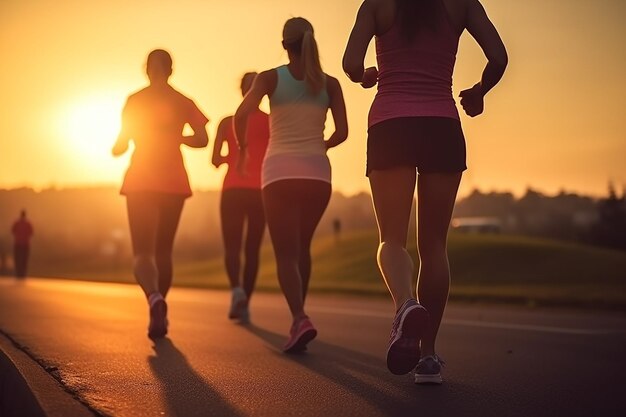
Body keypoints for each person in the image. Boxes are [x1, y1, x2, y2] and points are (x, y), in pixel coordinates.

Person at [343, 0, 507, 383]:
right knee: (434, 245)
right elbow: (498, 57)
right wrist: (480, 91)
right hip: (441, 126)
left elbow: (351, 64)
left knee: (391, 240)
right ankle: (428, 356)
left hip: (391, 125)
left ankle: (405, 306)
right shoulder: (463, 4)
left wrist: (365, 76)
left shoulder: (376, 5)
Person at [234, 17, 348, 353]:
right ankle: (300, 317)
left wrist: (242, 149)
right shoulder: (330, 83)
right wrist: (318, 148)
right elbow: (342, 133)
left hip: (279, 174)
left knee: (286, 253)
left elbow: (242, 114)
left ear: (285, 45)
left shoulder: (270, 78)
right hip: (318, 176)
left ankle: (299, 317)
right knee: (302, 248)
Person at [112, 49, 209, 339]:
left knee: (143, 252)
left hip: (142, 179)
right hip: (174, 181)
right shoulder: (183, 100)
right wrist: (178, 137)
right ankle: (160, 311)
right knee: (163, 250)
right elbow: (203, 139)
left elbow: (120, 145)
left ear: (146, 69)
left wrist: (117, 147)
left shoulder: (135, 100)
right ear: (170, 69)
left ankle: (154, 298)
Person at [212, 72, 270, 323]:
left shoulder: (227, 122)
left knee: (232, 246)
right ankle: (244, 299)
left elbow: (214, 161)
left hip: (233, 190)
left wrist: (233, 159)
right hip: (261, 191)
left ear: (241, 91)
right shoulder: (272, 122)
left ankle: (236, 292)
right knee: (252, 248)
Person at [11, 210, 34, 278]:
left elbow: (12, 231)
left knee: (17, 259)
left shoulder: (16, 223)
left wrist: (18, 236)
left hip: (17, 243)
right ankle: (23, 273)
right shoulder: (28, 224)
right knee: (24, 259)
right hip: (25, 244)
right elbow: (31, 233)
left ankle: (18, 273)